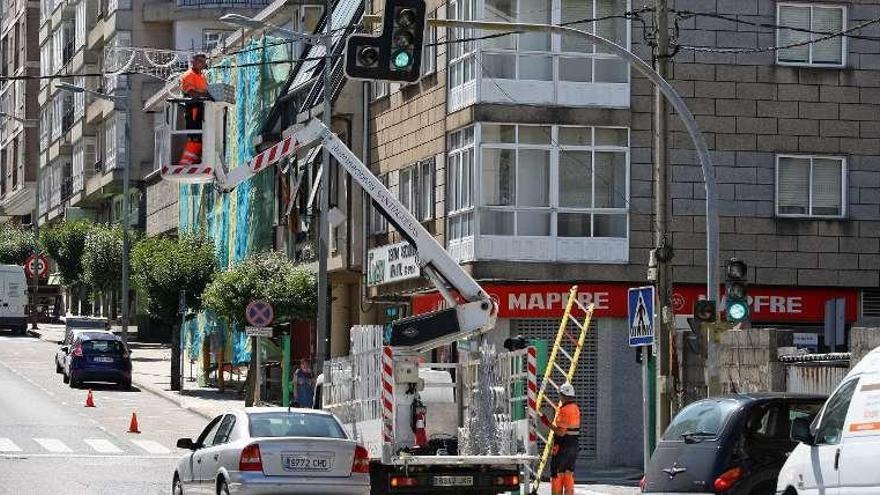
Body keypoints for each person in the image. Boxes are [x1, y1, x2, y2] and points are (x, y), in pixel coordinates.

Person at [547, 382, 581, 495]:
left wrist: (548, 423)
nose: (559, 397)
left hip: (563, 447)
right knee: (568, 473)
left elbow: (561, 432)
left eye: (560, 395)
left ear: (563, 395)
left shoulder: (564, 410)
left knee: (557, 473)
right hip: (574, 446)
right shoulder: (575, 408)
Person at [178, 53, 210, 166]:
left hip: (202, 108)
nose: (202, 64)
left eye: (204, 61)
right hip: (193, 108)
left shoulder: (202, 76)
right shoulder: (188, 75)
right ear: (193, 62)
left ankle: (197, 158)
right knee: (194, 134)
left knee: (201, 134)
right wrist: (205, 94)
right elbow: (192, 93)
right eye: (200, 61)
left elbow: (206, 91)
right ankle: (189, 161)